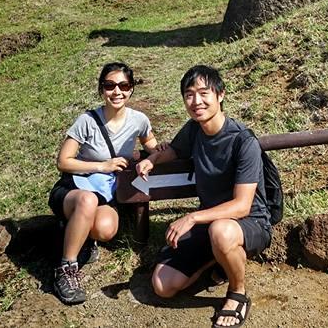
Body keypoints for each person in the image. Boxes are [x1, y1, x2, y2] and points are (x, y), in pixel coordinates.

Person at [136, 65, 270, 328]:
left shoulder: (243, 141)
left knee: (222, 232)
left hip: (250, 222)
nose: (196, 101)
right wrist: (153, 159)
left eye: (203, 92)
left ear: (220, 95)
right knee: (163, 285)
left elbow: (242, 205)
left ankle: (237, 293)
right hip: (211, 222)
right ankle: (219, 261)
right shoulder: (194, 129)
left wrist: (192, 217)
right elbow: (175, 150)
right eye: (189, 94)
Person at [48, 62, 159, 305]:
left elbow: (154, 147)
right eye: (110, 85)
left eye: (123, 85)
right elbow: (63, 161)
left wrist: (153, 158)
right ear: (101, 89)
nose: (116, 91)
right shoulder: (87, 121)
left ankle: (82, 235)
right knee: (86, 200)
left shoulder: (139, 120)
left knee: (106, 229)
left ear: (131, 90)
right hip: (74, 190)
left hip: (104, 194)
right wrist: (102, 165)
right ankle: (66, 268)